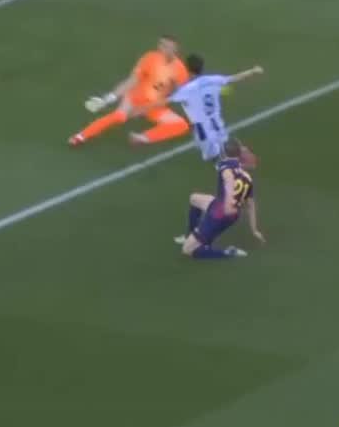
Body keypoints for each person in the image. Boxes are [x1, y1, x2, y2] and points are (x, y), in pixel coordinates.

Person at [129, 54, 264, 160]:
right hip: (218, 125)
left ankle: (236, 158)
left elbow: (162, 102)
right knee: (223, 146)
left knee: (215, 158)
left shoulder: (187, 90)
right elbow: (235, 78)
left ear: (187, 69)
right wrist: (253, 71)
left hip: (203, 133)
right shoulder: (214, 79)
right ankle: (238, 152)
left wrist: (141, 109)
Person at [69, 36, 189, 147]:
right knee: (119, 116)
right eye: (161, 45)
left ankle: (142, 138)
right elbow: (132, 81)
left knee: (181, 125)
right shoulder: (150, 58)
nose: (162, 48)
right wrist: (110, 97)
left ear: (175, 49)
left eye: (167, 46)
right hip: (136, 97)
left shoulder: (180, 70)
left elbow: (174, 95)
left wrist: (144, 109)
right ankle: (81, 136)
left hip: (154, 105)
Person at [177, 137, 265, 259]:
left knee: (187, 250)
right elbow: (251, 205)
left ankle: (228, 253)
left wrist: (228, 206)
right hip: (226, 209)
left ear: (223, 153)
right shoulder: (246, 177)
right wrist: (254, 229)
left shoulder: (225, 169)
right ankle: (191, 236)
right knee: (194, 199)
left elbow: (229, 187)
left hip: (220, 214)